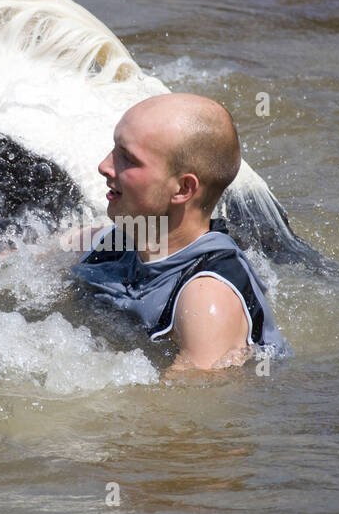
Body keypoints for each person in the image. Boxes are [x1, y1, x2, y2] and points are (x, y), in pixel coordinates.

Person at [69, 93, 290, 372]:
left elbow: (178, 411)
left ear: (183, 189)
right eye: (114, 148)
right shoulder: (111, 242)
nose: (104, 166)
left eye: (128, 158)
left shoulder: (207, 300)